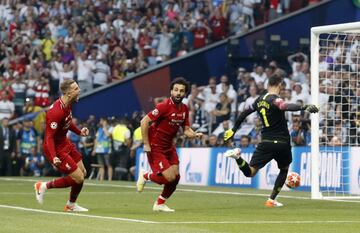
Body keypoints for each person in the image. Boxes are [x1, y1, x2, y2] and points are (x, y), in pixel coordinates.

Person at [223, 74, 319, 207]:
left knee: (250, 172)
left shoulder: (258, 100)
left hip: (266, 142)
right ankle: (271, 199)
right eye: (282, 86)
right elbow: (284, 106)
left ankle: (238, 157)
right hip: (282, 143)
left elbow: (244, 112)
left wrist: (233, 130)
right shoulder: (276, 99)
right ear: (279, 84)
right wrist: (303, 107)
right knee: (284, 169)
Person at [137, 77, 203, 212]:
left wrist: (195, 134)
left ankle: (160, 203)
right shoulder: (163, 106)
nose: (178, 93)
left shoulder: (184, 109)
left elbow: (186, 130)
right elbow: (144, 122)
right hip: (156, 146)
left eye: (182, 91)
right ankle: (145, 175)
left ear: (185, 93)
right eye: (176, 90)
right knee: (168, 177)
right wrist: (146, 144)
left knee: (175, 178)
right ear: (171, 91)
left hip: (169, 147)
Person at [34, 80, 90, 212]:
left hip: (64, 143)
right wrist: (54, 157)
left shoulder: (68, 104)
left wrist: (79, 131)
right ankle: (43, 186)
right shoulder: (55, 112)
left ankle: (71, 205)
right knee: (78, 177)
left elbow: (67, 122)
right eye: (76, 88)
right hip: (55, 148)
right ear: (68, 93)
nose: (79, 90)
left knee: (83, 173)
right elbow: (49, 137)